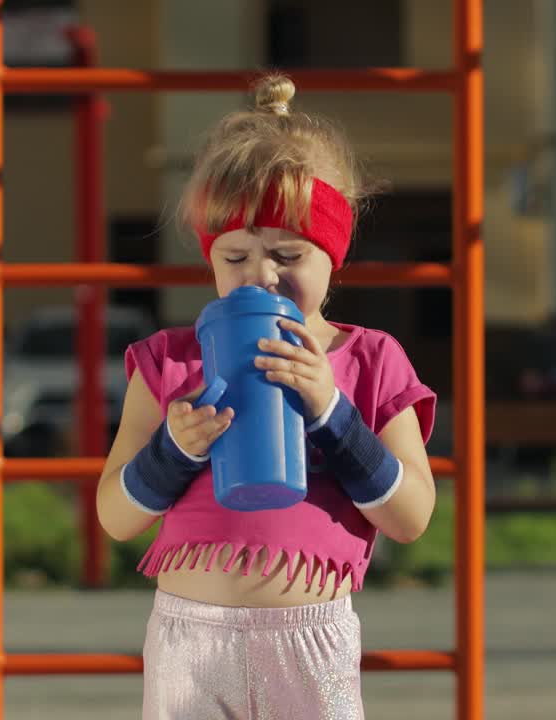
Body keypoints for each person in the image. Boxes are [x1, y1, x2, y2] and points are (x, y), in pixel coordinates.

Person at [95, 75, 437, 718]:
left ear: (332, 256)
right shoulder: (171, 362)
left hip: (310, 636)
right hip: (191, 638)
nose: (261, 275)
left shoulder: (370, 359)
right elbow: (116, 515)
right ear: (211, 260)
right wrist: (173, 449)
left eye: (288, 254)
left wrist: (333, 412)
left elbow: (411, 517)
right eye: (235, 257)